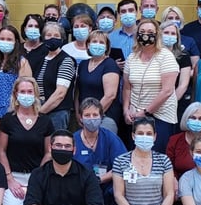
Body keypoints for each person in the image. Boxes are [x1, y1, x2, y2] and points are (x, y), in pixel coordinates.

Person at [111, 117, 176, 205]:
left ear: (155, 136)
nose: (144, 137)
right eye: (140, 133)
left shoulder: (164, 160)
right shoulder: (120, 161)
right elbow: (119, 195)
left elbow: (169, 194)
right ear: (133, 136)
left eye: (148, 134)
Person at [0, 76, 54, 205]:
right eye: (22, 91)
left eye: (30, 91)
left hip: (37, 177)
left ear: (35, 94)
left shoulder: (45, 121)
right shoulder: (8, 120)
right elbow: (1, 151)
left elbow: (48, 153)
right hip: (14, 178)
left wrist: (36, 179)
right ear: (16, 94)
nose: (26, 94)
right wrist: (10, 179)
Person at [122, 19, 179, 152]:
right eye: (142, 32)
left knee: (156, 156)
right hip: (136, 115)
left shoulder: (166, 56)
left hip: (161, 115)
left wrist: (146, 112)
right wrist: (126, 110)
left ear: (157, 35)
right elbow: (126, 86)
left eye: (150, 32)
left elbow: (167, 90)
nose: (145, 35)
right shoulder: (132, 57)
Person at [73, 98, 126, 205]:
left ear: (101, 117)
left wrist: (99, 179)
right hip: (80, 190)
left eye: (95, 115)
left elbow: (122, 165)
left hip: (107, 190)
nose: (91, 119)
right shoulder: (73, 140)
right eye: (87, 115)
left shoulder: (110, 138)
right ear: (81, 118)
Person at [75, 31, 120, 133]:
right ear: (88, 45)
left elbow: (110, 95)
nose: (97, 44)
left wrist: (93, 115)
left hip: (104, 117)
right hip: (84, 117)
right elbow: (78, 91)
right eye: (94, 41)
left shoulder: (110, 64)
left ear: (106, 47)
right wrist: (79, 113)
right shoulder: (83, 64)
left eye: (101, 42)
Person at [0, 25, 32, 119]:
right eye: (2, 38)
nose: (5, 42)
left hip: (10, 113)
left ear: (16, 42)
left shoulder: (22, 63)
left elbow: (25, 89)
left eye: (9, 39)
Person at [36, 22, 77, 132]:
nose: (52, 38)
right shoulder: (41, 59)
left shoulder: (66, 60)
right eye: (48, 35)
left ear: (62, 39)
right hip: (39, 108)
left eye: (56, 36)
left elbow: (60, 94)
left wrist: (39, 112)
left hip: (57, 112)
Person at [159, 19, 194, 119]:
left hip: (175, 104)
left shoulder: (183, 55)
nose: (169, 35)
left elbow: (183, 85)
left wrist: (169, 104)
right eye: (166, 32)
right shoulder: (153, 55)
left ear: (177, 37)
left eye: (173, 33)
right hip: (152, 102)